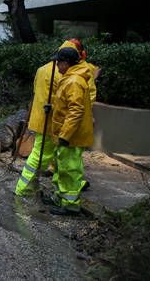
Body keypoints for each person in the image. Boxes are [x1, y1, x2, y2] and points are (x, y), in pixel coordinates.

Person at [14, 39, 98, 197]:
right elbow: (85, 99)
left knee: (46, 156)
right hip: (58, 124)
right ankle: (31, 190)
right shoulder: (75, 73)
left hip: (42, 120)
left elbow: (36, 93)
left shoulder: (42, 69)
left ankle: (48, 192)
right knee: (64, 159)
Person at [46, 46, 94, 216]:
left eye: (58, 62)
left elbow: (76, 111)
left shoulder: (73, 81)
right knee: (61, 167)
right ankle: (59, 198)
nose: (57, 65)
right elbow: (68, 106)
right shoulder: (71, 79)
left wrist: (65, 136)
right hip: (66, 134)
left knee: (69, 170)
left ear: (66, 63)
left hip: (70, 136)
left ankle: (70, 205)